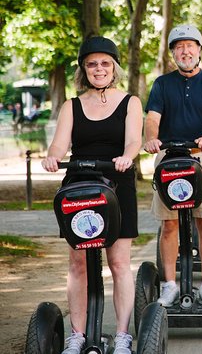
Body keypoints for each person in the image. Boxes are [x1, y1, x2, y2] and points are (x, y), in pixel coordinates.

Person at [42, 36, 143, 354]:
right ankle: (77, 335)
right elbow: (60, 144)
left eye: (104, 63)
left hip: (117, 183)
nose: (98, 69)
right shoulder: (72, 105)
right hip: (79, 185)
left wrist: (128, 156)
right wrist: (52, 156)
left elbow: (133, 141)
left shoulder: (131, 102)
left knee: (119, 262)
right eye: (91, 64)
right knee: (78, 264)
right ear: (83, 70)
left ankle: (124, 335)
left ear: (114, 67)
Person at [144, 24, 202, 308]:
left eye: (190, 45)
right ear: (172, 54)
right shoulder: (162, 84)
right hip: (168, 156)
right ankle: (169, 284)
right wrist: (151, 138)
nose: (185, 50)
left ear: (200, 50)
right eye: (179, 46)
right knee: (169, 225)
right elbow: (153, 117)